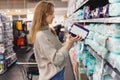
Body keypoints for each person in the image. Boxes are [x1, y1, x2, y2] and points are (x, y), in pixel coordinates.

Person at [28, 1, 82, 80]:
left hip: (58, 72)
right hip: (52, 76)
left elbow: (59, 48)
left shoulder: (48, 30)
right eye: (51, 13)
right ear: (44, 15)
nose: (54, 16)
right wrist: (68, 44)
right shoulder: (41, 35)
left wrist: (70, 41)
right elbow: (56, 59)